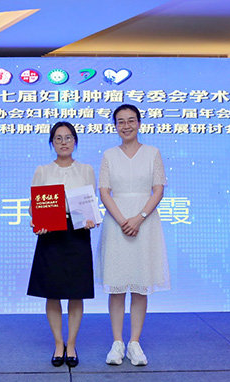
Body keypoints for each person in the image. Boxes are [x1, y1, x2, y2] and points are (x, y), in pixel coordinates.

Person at [96, 104, 170, 366]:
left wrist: (140, 217)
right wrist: (122, 220)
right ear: (115, 126)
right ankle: (117, 343)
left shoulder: (152, 153)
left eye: (130, 120)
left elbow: (158, 190)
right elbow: (104, 191)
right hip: (116, 223)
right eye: (120, 121)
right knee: (116, 286)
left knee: (140, 285)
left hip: (145, 223)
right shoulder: (109, 155)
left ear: (139, 123)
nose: (125, 126)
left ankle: (134, 343)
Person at [28, 121, 96, 368]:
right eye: (58, 138)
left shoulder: (86, 169)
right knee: (52, 291)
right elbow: (34, 206)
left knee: (76, 291)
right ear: (52, 143)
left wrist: (91, 219)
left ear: (75, 141)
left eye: (68, 137)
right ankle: (59, 344)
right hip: (51, 235)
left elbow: (91, 202)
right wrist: (37, 221)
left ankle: (72, 343)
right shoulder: (43, 170)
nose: (64, 142)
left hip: (78, 233)